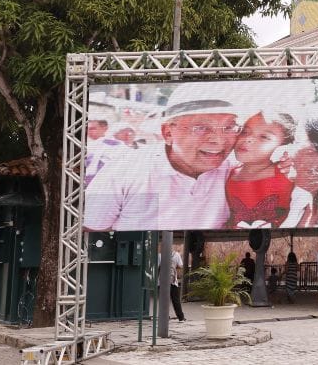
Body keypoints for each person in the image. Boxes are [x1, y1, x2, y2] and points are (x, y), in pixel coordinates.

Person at [84, 86, 241, 231]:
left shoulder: (235, 173)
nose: (219, 140)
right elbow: (90, 229)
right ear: (168, 133)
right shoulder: (125, 169)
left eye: (229, 127)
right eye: (201, 128)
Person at [224, 112, 298, 228]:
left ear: (283, 146)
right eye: (245, 132)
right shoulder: (228, 174)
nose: (248, 138)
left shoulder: (287, 173)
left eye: (264, 137)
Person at [158, 243, 185, 322]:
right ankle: (181, 317)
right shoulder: (176, 255)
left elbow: (157, 266)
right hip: (173, 281)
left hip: (162, 281)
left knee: (163, 300)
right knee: (176, 300)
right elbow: (180, 266)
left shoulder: (160, 255)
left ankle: (164, 317)